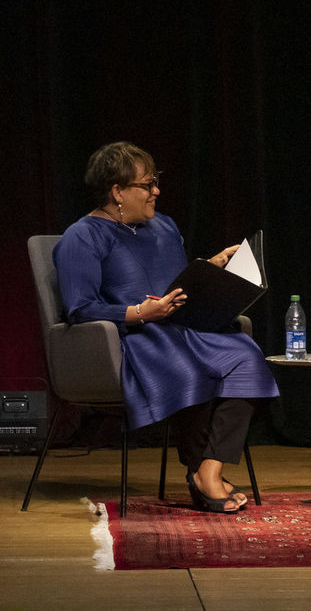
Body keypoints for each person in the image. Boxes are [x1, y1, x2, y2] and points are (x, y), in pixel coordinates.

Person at [53, 142, 279, 513]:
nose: (156, 190)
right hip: (138, 336)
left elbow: (173, 280)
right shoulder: (83, 236)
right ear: (118, 191)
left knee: (247, 356)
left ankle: (208, 469)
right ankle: (203, 476)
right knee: (190, 368)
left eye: (155, 182)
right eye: (147, 184)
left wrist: (210, 267)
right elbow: (81, 308)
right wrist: (141, 312)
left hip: (183, 327)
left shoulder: (164, 226)